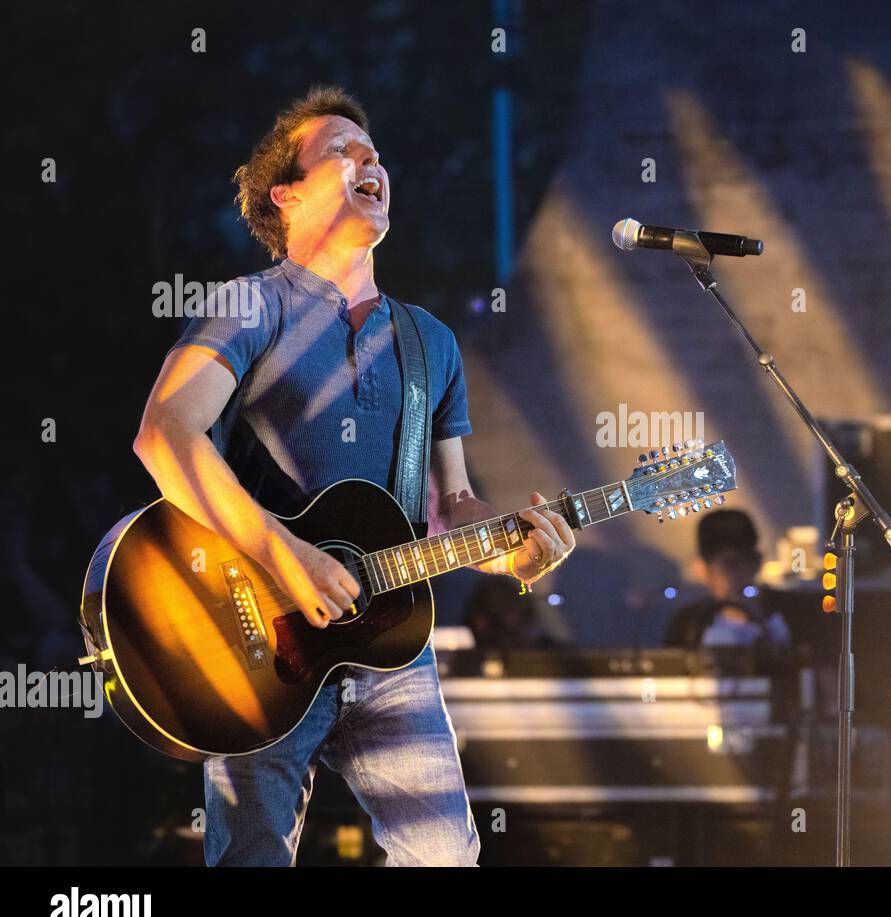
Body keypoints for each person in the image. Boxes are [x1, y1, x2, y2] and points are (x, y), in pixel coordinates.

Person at [132, 87, 576, 866]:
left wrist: (513, 551)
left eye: (374, 154)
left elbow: (451, 503)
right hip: (255, 645)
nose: (370, 160)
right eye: (342, 150)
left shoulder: (429, 341)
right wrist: (286, 555)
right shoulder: (247, 305)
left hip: (391, 651)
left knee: (445, 857)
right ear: (288, 193)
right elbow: (164, 436)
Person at [662, 509, 790, 651]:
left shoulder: (783, 616)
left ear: (758, 562)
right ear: (703, 569)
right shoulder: (687, 625)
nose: (742, 573)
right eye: (730, 565)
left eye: (748, 561)